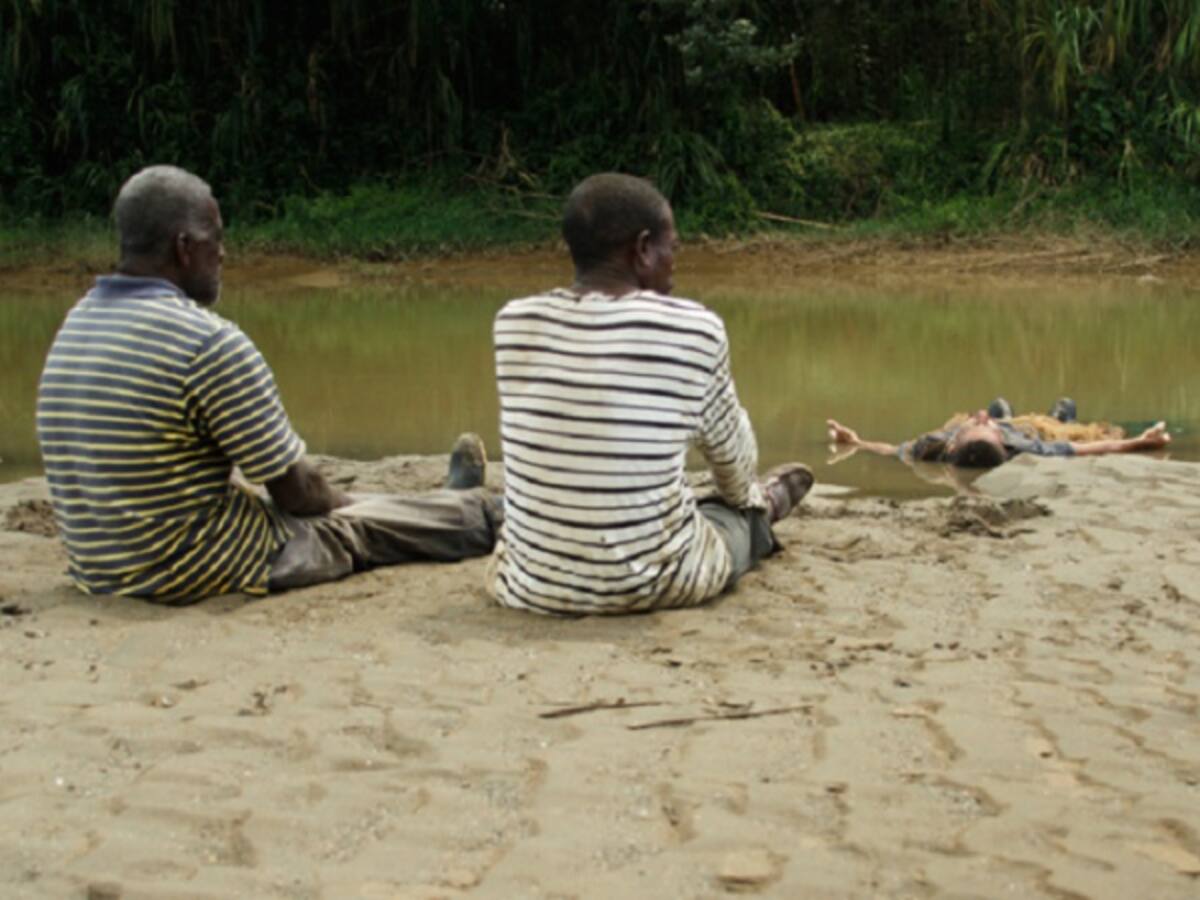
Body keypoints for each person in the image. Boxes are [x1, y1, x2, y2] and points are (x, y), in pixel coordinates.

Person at [36, 165, 501, 605]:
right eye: (215, 239)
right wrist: (357, 504)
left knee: (309, 505)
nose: (223, 253)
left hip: (100, 567)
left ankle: (443, 502)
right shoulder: (206, 342)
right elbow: (300, 496)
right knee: (352, 527)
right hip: (184, 569)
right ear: (183, 248)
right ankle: (475, 511)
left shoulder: (76, 323)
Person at [488, 172, 813, 616]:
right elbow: (734, 466)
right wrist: (746, 504)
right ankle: (767, 513)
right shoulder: (694, 328)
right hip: (651, 586)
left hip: (529, 586)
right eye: (671, 249)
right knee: (735, 517)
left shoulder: (512, 323)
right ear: (642, 249)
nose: (674, 264)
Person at [827, 395, 1171, 469]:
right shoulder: (1026, 448)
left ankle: (1003, 411)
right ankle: (1055, 415)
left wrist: (855, 442)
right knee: (1065, 409)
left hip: (1010, 426)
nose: (978, 418)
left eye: (975, 423)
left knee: (998, 404)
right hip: (1033, 431)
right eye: (985, 424)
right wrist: (1140, 442)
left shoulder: (935, 445)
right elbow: (1091, 449)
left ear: (953, 442)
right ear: (1003, 444)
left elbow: (891, 450)